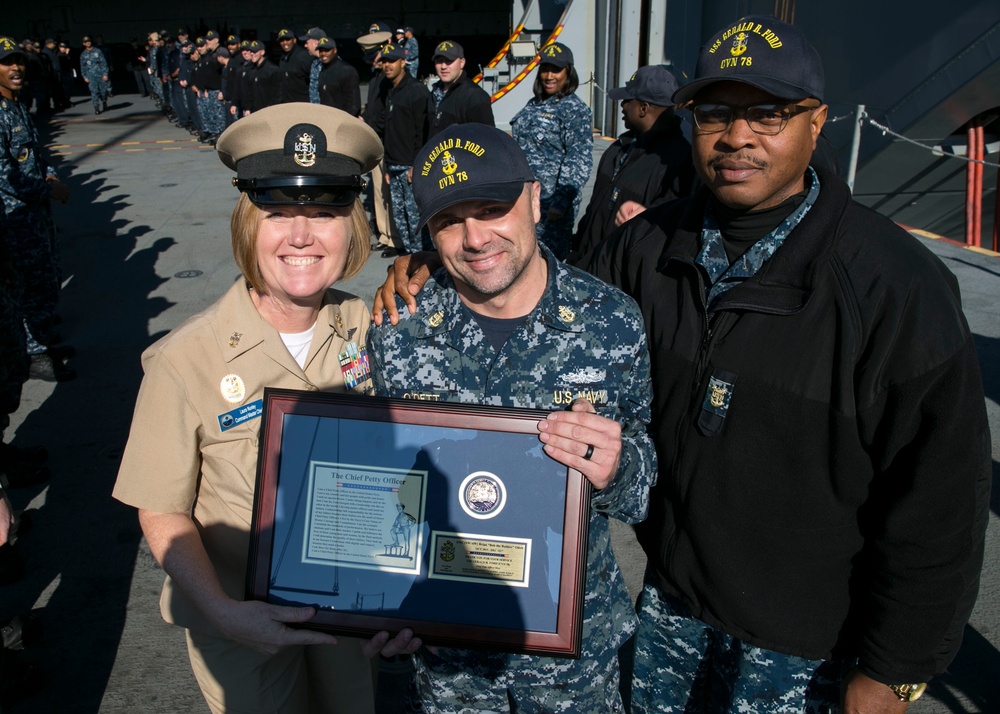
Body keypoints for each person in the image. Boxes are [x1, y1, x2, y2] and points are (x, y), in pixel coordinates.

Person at [584, 16, 990, 713]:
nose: (737, 137)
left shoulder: (896, 285)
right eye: (715, 113)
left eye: (768, 113)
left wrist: (895, 668)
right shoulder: (645, 249)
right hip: (671, 610)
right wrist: (432, 275)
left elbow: (940, 500)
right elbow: (557, 323)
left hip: (808, 650)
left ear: (818, 121)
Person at [112, 103, 419, 714]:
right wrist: (225, 616)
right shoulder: (183, 361)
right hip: (241, 619)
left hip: (352, 609)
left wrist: (424, 265)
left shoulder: (376, 327)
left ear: (353, 227)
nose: (301, 236)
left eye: (326, 213)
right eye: (278, 212)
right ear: (247, 225)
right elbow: (162, 511)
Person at [368, 122, 655, 712]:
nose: (475, 238)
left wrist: (620, 466)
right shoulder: (399, 333)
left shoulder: (611, 320)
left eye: (493, 209)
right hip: (448, 659)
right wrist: (367, 598)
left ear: (533, 198)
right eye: (449, 220)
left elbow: (644, 484)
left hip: (573, 653)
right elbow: (379, 489)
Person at [566, 64, 693, 269]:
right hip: (588, 263)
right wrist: (577, 249)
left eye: (627, 101)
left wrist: (647, 216)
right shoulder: (619, 148)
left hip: (620, 274)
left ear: (643, 108)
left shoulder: (678, 161)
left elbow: (674, 223)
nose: (622, 106)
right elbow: (595, 208)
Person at [0, 37, 74, 384]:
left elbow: (35, 155)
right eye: (7, 62)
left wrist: (49, 174)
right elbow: (5, 176)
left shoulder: (14, 105)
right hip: (16, 218)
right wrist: (47, 189)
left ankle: (41, 340)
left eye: (19, 61)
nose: (16, 67)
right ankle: (34, 353)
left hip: (36, 213)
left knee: (47, 277)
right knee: (30, 285)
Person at [510, 42, 592, 260]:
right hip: (526, 198)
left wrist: (561, 201)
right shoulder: (534, 104)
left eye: (556, 70)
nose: (549, 76)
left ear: (568, 72)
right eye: (545, 69)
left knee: (550, 261)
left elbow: (578, 158)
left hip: (551, 206)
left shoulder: (574, 109)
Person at [379, 43, 433, 256]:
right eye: (384, 61)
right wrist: (386, 165)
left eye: (391, 61)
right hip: (393, 165)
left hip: (410, 167)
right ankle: (410, 258)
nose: (387, 65)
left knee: (416, 219)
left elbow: (423, 132)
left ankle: (423, 260)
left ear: (403, 62)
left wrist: (416, 165)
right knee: (400, 217)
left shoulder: (416, 91)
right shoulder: (391, 90)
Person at [358, 22, 399, 257]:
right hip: (376, 141)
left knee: (390, 193)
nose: (374, 61)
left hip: (389, 143)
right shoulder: (376, 79)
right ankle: (385, 235)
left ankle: (395, 238)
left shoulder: (390, 79)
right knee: (379, 193)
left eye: (376, 55)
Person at [429, 40, 494, 135]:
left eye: (449, 61)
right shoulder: (434, 94)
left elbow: (487, 138)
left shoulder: (474, 96)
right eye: (439, 61)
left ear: (462, 62)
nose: (443, 66)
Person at [315, 37, 360, 117]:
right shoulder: (323, 71)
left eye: (327, 50)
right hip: (327, 119)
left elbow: (353, 103)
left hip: (342, 121)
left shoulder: (346, 70)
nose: (323, 53)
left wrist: (346, 122)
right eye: (321, 51)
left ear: (335, 50)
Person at [276, 28, 311, 103]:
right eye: (282, 40)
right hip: (287, 104)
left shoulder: (303, 56)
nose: (285, 43)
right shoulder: (282, 59)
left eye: (288, 39)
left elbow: (314, 80)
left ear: (294, 40)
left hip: (303, 104)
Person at [79, 35, 109, 114]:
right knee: (94, 92)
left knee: (103, 91)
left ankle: (104, 102)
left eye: (89, 41)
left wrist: (105, 74)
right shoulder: (83, 54)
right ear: (84, 44)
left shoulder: (97, 51)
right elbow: (83, 66)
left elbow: (103, 63)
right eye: (86, 42)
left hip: (100, 74)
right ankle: (96, 107)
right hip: (91, 76)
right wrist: (84, 76)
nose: (88, 43)